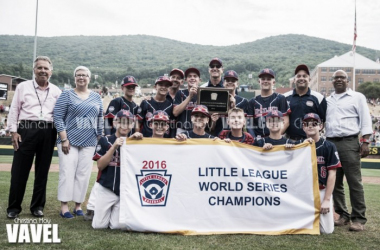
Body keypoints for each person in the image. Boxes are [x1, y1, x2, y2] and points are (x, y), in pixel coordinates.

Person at [6, 56, 61, 219]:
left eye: (46, 68)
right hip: (26, 129)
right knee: (19, 171)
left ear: (51, 71)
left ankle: (37, 206)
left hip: (48, 130)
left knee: (42, 172)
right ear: (34, 70)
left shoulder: (57, 91)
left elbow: (59, 115)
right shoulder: (23, 87)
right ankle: (14, 207)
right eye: (39, 68)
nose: (43, 70)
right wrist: (14, 131)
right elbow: (14, 109)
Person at [325, 69, 372, 232]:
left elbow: (365, 119)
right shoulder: (328, 100)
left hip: (349, 141)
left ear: (347, 80)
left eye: (342, 78)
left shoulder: (357, 97)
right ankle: (342, 214)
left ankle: (358, 218)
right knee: (335, 181)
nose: (339, 80)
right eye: (336, 78)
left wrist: (365, 141)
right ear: (332, 81)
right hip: (331, 143)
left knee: (354, 181)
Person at [54, 66, 104, 219]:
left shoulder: (96, 97)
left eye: (84, 75)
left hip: (89, 141)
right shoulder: (67, 94)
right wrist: (63, 138)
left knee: (83, 174)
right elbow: (57, 117)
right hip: (69, 141)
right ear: (74, 78)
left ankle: (78, 205)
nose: (81, 77)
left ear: (89, 78)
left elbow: (100, 118)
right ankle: (64, 206)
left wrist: (99, 137)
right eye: (78, 75)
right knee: (67, 171)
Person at [92, 110, 143, 229]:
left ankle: (110, 214)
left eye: (129, 123)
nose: (125, 125)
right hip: (106, 188)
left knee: (116, 226)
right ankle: (97, 211)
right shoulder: (105, 140)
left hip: (123, 191)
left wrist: (139, 140)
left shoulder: (133, 143)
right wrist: (114, 146)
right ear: (115, 123)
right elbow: (100, 166)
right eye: (122, 122)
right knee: (99, 226)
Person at [302, 113, 341, 234]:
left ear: (321, 126)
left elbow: (332, 174)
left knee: (327, 231)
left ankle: (329, 207)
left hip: (321, 190)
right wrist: (295, 146)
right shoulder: (299, 145)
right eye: (306, 124)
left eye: (314, 123)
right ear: (303, 127)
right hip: (303, 191)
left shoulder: (329, 146)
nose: (310, 126)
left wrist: (327, 200)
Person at [284, 64, 327, 140]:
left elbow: (322, 121)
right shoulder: (284, 97)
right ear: (294, 80)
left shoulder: (319, 98)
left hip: (311, 141)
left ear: (309, 79)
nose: (301, 78)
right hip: (290, 141)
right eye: (298, 76)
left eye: (304, 76)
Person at [247, 68, 290, 138]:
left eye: (269, 79)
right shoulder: (252, 101)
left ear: (273, 82)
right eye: (263, 79)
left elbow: (286, 122)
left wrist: (274, 137)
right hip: (259, 140)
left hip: (276, 139)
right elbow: (249, 125)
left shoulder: (280, 98)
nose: (265, 81)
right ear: (259, 81)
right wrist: (254, 140)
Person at [212, 70, 247, 136]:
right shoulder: (216, 100)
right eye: (227, 80)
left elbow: (245, 127)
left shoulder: (243, 101)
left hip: (237, 139)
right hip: (220, 139)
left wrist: (234, 106)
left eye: (233, 81)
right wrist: (214, 121)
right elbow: (211, 128)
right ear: (223, 83)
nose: (230, 82)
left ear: (237, 84)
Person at [173, 68, 201, 134]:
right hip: (182, 130)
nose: (192, 78)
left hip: (198, 130)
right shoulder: (180, 93)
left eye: (195, 76)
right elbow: (175, 112)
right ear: (186, 80)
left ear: (199, 80)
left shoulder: (203, 94)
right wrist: (190, 96)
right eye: (189, 76)